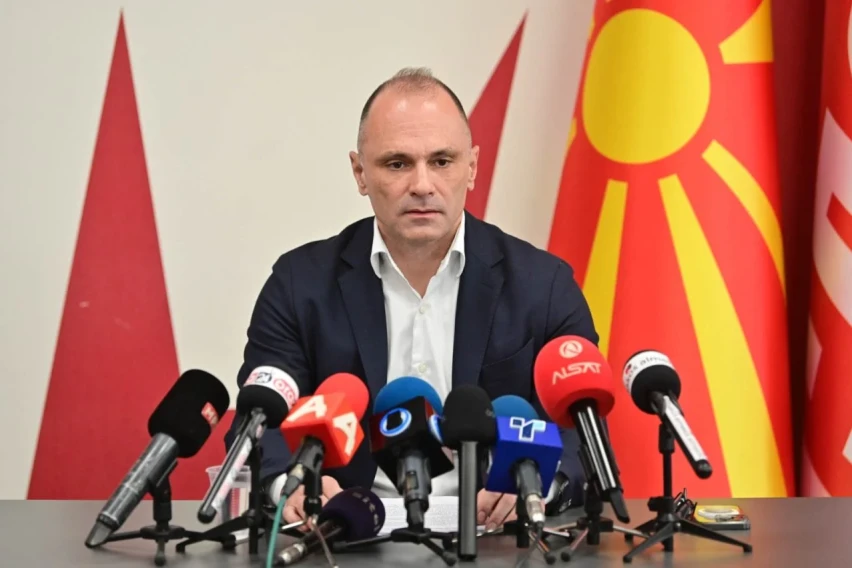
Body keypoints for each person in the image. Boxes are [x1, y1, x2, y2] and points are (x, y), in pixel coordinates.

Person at [225, 67, 599, 531]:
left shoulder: (544, 285)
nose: (422, 184)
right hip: (343, 533)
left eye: (441, 161)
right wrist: (289, 485)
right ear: (360, 173)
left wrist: (540, 482)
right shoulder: (299, 284)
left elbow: (583, 436)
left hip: (499, 537)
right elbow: (260, 424)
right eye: (397, 164)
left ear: (472, 168)